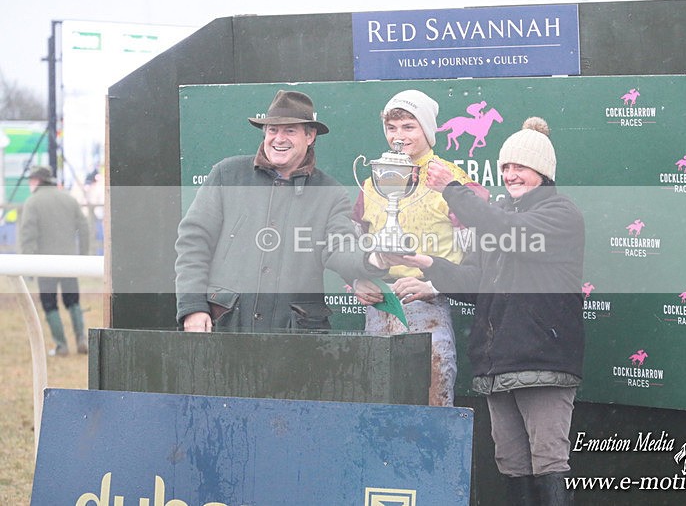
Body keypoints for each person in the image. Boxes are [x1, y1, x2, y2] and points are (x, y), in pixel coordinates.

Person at [387, 117, 585, 505]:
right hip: (497, 366)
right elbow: (477, 283)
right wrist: (428, 265)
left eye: (521, 167)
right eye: (506, 167)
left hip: (543, 360)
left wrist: (452, 191)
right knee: (510, 463)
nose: (511, 175)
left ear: (543, 173)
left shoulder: (561, 214)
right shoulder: (497, 218)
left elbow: (511, 233)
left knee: (549, 461)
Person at [175, 90, 387, 332]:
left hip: (296, 337)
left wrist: (373, 259)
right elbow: (193, 243)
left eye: (290, 130)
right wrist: (193, 307)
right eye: (273, 130)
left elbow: (340, 248)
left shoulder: (330, 192)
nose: (279, 138)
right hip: (225, 325)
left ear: (310, 136)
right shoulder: (227, 174)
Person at [351, 89, 489, 406]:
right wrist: (358, 281)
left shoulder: (451, 179)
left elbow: (481, 252)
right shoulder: (372, 181)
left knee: (432, 410)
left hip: (430, 312)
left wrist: (432, 285)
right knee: (377, 411)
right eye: (392, 128)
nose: (399, 136)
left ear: (427, 129)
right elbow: (354, 245)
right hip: (379, 311)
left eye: (409, 127)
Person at [18, 165, 91, 356]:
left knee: (50, 303)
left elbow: (28, 236)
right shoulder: (68, 198)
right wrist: (82, 256)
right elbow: (84, 228)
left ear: (36, 180)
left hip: (45, 263)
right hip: (69, 262)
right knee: (73, 301)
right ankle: (81, 339)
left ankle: (61, 346)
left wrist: (29, 265)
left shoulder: (33, 202)